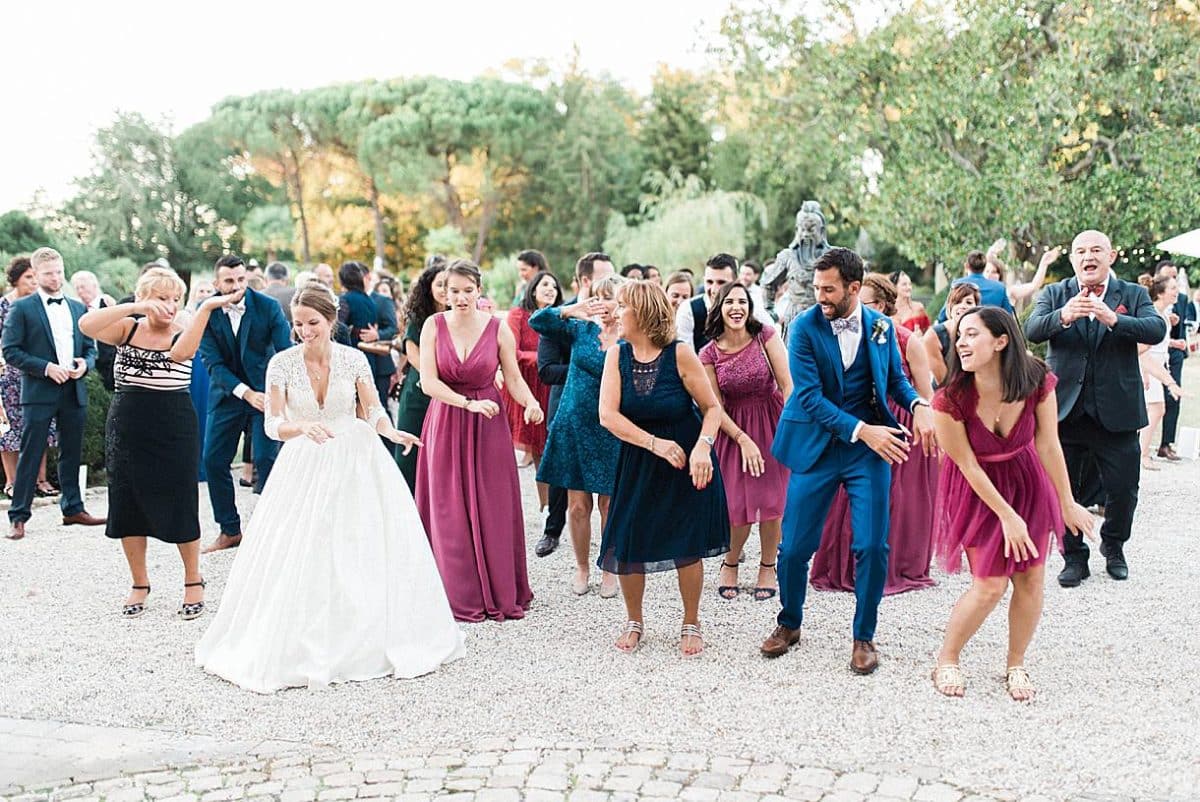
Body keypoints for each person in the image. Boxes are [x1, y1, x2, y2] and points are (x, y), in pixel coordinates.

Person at [195, 282, 464, 692]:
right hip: (304, 459)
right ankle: (304, 636)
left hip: (356, 457)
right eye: (299, 324)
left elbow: (372, 410)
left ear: (331, 320)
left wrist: (392, 433)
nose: (306, 330)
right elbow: (271, 423)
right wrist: (301, 426)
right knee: (302, 545)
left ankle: (365, 632)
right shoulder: (281, 365)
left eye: (313, 322)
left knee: (360, 543)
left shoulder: (354, 360)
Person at [759, 247, 934, 674]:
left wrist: (920, 404)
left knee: (873, 544)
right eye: (817, 287)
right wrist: (861, 430)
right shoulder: (802, 327)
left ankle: (864, 636)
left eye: (828, 288)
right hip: (817, 446)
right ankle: (790, 622)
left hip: (867, 452)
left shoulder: (880, 327)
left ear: (854, 288)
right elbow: (809, 398)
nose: (819, 294)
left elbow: (895, 380)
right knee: (795, 547)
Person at [930, 307, 1095, 701]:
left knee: (1031, 579)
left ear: (1001, 340)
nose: (961, 343)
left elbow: (1048, 443)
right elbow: (966, 465)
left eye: (971, 335)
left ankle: (1015, 662)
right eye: (959, 336)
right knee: (989, 585)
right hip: (977, 491)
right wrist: (1007, 516)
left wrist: (1067, 501)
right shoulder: (949, 399)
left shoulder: (1037, 379)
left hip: (1027, 482)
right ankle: (947, 658)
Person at [80, 268, 235, 619]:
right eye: (161, 297)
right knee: (127, 502)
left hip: (173, 422)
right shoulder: (128, 327)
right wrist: (134, 308)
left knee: (180, 498)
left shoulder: (186, 324)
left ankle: (193, 579)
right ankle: (139, 582)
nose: (169, 305)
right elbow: (87, 325)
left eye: (174, 298)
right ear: (145, 297)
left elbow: (180, 355)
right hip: (128, 423)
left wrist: (205, 308)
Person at [1025, 229, 1168, 586]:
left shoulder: (1132, 294)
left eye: (1096, 250)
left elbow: (1155, 329)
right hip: (1066, 413)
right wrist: (1064, 315)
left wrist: (1113, 318)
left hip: (1116, 413)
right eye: (1080, 251)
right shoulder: (1055, 293)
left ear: (1111, 256)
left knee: (1123, 488)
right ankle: (1073, 557)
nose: (1088, 257)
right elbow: (1031, 329)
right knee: (1063, 488)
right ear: (1072, 259)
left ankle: (1115, 546)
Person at [598, 281, 729, 656]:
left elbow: (712, 408)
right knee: (628, 541)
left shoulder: (680, 354)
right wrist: (654, 444)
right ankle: (634, 620)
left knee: (686, 543)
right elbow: (607, 415)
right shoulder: (616, 356)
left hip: (686, 460)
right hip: (639, 459)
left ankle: (691, 621)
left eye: (622, 306)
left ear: (642, 312)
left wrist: (704, 448)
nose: (615, 312)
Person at [415, 260, 543, 622]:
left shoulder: (498, 328)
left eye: (467, 290)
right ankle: (456, 592)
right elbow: (429, 383)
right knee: (448, 506)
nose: (460, 297)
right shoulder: (432, 326)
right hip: (448, 419)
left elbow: (514, 379)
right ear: (444, 292)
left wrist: (531, 402)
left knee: (493, 504)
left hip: (489, 426)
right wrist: (467, 404)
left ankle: (499, 587)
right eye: (452, 291)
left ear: (479, 290)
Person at [811, 274, 939, 595]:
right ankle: (849, 566)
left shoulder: (908, 341)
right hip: (858, 426)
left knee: (895, 501)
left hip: (900, 427)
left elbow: (925, 396)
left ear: (879, 306)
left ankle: (891, 567)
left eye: (860, 303)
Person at [531, 268, 624, 597]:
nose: (603, 304)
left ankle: (610, 566)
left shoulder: (630, 335)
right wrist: (571, 309)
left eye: (609, 297)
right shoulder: (580, 329)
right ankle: (582, 566)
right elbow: (538, 322)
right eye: (598, 297)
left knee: (610, 505)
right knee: (578, 505)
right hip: (574, 422)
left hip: (613, 426)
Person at [2, 248, 105, 540]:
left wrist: (85, 363)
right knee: (31, 453)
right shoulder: (21, 308)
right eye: (49, 273)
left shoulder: (75, 307)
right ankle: (18, 516)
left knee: (71, 451)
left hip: (73, 389)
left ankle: (73, 508)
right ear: (36, 274)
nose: (56, 277)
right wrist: (46, 368)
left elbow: (89, 348)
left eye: (59, 272)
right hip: (38, 391)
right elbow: (11, 351)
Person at [698, 282, 791, 601]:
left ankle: (768, 564)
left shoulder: (765, 335)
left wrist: (792, 430)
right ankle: (730, 561)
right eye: (729, 302)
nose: (736, 307)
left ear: (750, 307)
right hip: (731, 428)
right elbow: (714, 406)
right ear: (719, 308)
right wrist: (742, 439)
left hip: (772, 421)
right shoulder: (708, 353)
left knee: (771, 502)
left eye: (742, 301)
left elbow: (787, 385)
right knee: (735, 505)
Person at [197, 255, 293, 553]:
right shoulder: (207, 311)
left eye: (241, 279)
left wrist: (277, 394)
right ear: (217, 283)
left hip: (266, 395)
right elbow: (212, 362)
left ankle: (275, 531)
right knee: (213, 461)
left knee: (267, 460)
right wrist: (245, 393)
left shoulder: (267, 306)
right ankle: (230, 530)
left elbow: (284, 353)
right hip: (227, 396)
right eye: (229, 281)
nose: (237, 286)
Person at [0, 257, 60, 500]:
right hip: (7, 375)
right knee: (9, 431)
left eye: (36, 277)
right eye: (28, 277)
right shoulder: (3, 306)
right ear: (15, 279)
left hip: (36, 372)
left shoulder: (40, 305)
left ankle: (41, 479)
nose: (33, 282)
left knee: (39, 425)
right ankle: (12, 482)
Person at [502, 271, 561, 508]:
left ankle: (552, 505)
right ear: (533, 289)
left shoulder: (560, 317)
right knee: (536, 447)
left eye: (554, 286)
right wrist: (544, 359)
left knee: (549, 446)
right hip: (524, 384)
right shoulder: (518, 315)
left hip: (552, 385)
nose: (550, 289)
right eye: (545, 284)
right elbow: (512, 352)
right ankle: (542, 504)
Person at [394, 258, 447, 491]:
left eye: (449, 285)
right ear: (429, 288)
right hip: (420, 391)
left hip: (451, 392)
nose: (445, 290)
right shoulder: (417, 318)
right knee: (410, 451)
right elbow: (413, 355)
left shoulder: (460, 319)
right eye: (440, 285)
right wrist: (437, 376)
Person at [676, 254, 772, 353]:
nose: (714, 289)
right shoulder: (689, 310)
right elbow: (685, 357)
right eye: (709, 282)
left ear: (736, 282)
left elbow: (773, 341)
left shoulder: (753, 309)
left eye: (721, 282)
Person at [1136, 275, 1184, 471]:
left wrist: (1174, 343)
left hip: (1158, 367)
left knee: (1153, 410)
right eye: (1173, 288)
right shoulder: (1154, 315)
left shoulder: (1164, 315)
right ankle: (1143, 454)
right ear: (1161, 293)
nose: (1177, 291)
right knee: (1156, 409)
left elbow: (1157, 343)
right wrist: (1144, 373)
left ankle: (1141, 451)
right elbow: (1140, 347)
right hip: (1150, 368)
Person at [1154, 261, 1190, 460]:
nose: (1173, 280)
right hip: (1153, 354)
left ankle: (1166, 443)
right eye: (1169, 276)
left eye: (1175, 276)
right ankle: (1140, 442)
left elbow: (1181, 328)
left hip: (1173, 354)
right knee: (1149, 400)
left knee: (1173, 398)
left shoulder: (1182, 299)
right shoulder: (1146, 297)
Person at [924, 283, 981, 386]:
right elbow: (943, 382)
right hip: (946, 393)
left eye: (969, 302)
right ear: (950, 306)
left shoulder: (983, 333)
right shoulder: (933, 335)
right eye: (957, 302)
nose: (962, 306)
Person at [71, 270, 117, 391]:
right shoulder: (75, 309)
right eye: (77, 288)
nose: (80, 291)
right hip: (86, 363)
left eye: (83, 287)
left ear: (95, 286)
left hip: (108, 362)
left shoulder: (109, 305)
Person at [362, 267, 399, 420]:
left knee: (381, 407)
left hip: (381, 364)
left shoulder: (383, 301)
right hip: (360, 362)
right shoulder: (345, 299)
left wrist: (377, 334)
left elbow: (393, 328)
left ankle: (388, 443)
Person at [937, 251, 1015, 322]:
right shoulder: (1000, 288)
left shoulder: (958, 285)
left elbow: (942, 316)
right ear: (984, 267)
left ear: (966, 266)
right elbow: (1009, 317)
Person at [982, 241, 1057, 308]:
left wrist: (1044, 264)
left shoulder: (1009, 292)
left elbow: (1034, 285)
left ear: (1000, 275)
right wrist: (991, 252)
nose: (989, 275)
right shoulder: (977, 292)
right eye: (987, 271)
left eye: (994, 272)